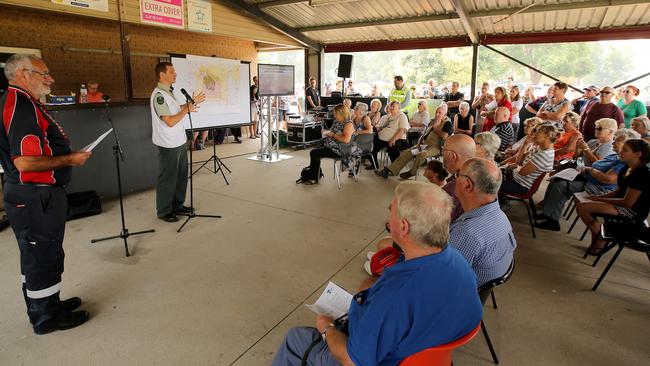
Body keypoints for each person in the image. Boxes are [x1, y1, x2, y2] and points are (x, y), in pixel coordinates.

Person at [272, 181, 483, 366]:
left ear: (403, 227)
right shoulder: (457, 261)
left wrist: (326, 327)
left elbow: (353, 361)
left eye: (391, 210)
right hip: (429, 353)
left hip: (383, 358)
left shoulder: (396, 296)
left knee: (297, 338)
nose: (388, 217)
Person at [0, 54, 92, 334]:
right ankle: (45, 319)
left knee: (47, 254)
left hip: (39, 195)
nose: (50, 79)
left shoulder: (25, 102)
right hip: (34, 197)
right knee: (40, 257)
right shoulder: (19, 106)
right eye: (44, 74)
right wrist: (70, 159)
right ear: (23, 75)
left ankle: (50, 303)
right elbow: (25, 163)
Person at [535, 129, 640, 232]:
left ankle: (553, 220)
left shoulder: (623, 163)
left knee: (561, 186)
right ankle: (547, 212)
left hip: (598, 188)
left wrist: (590, 170)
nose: (614, 141)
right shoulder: (614, 156)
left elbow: (607, 179)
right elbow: (584, 159)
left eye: (618, 140)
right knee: (556, 179)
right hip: (589, 180)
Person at [151, 61, 205, 222]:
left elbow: (175, 109)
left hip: (179, 141)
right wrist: (186, 110)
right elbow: (169, 121)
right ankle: (164, 210)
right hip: (168, 143)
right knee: (168, 177)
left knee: (181, 176)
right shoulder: (159, 96)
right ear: (162, 75)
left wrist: (190, 104)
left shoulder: (169, 92)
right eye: (172, 71)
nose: (175, 74)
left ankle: (178, 205)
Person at [576, 139, 650, 254]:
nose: (620, 151)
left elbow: (628, 203)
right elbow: (618, 191)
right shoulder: (627, 167)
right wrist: (597, 198)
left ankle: (598, 236)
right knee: (581, 201)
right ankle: (598, 234)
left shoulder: (641, 173)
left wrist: (599, 199)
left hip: (632, 212)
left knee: (583, 207)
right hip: (623, 204)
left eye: (625, 150)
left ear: (637, 154)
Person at [450, 158, 516, 286]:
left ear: (467, 185)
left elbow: (444, 278)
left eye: (458, 174)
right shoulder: (499, 215)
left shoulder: (467, 233)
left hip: (461, 295)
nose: (455, 178)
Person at [377, 104, 452, 180]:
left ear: (445, 114)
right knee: (407, 152)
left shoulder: (447, 123)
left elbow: (445, 136)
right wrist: (419, 141)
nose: (437, 114)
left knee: (421, 154)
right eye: (436, 112)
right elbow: (425, 132)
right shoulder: (433, 121)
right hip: (424, 145)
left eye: (439, 113)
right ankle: (390, 170)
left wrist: (435, 128)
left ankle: (412, 172)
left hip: (435, 148)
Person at [301, 104, 355, 184]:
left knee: (314, 153)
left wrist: (332, 134)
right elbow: (331, 131)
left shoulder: (348, 124)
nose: (334, 115)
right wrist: (325, 132)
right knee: (314, 151)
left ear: (342, 114)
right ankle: (316, 173)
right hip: (331, 145)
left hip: (340, 149)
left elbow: (346, 140)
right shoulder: (337, 121)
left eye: (336, 114)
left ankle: (314, 177)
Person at [500, 124, 557, 195]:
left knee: (486, 184)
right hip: (513, 176)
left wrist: (517, 166)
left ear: (548, 136)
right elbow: (518, 161)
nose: (535, 134)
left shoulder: (544, 155)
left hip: (520, 184)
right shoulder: (538, 147)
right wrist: (525, 144)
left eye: (539, 132)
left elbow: (522, 172)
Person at [442, 134, 477, 221]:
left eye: (444, 150)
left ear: (453, 156)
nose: (442, 154)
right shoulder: (485, 175)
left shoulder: (451, 190)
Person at [370, 101, 410, 167]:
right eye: (390, 106)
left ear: (399, 108)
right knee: (371, 145)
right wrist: (379, 128)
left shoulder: (402, 116)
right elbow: (382, 126)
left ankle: (394, 168)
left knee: (392, 147)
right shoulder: (390, 116)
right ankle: (374, 165)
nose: (391, 108)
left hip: (399, 139)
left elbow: (402, 130)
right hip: (385, 139)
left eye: (393, 106)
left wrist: (393, 139)